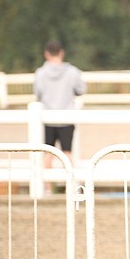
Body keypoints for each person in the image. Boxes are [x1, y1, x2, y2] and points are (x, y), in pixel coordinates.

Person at [33, 40, 86, 170]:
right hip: (66, 117)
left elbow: (37, 93)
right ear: (61, 53)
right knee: (67, 152)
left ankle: (48, 189)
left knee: (47, 154)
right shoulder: (73, 72)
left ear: (47, 54)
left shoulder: (40, 73)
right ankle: (71, 185)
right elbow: (81, 90)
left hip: (47, 118)